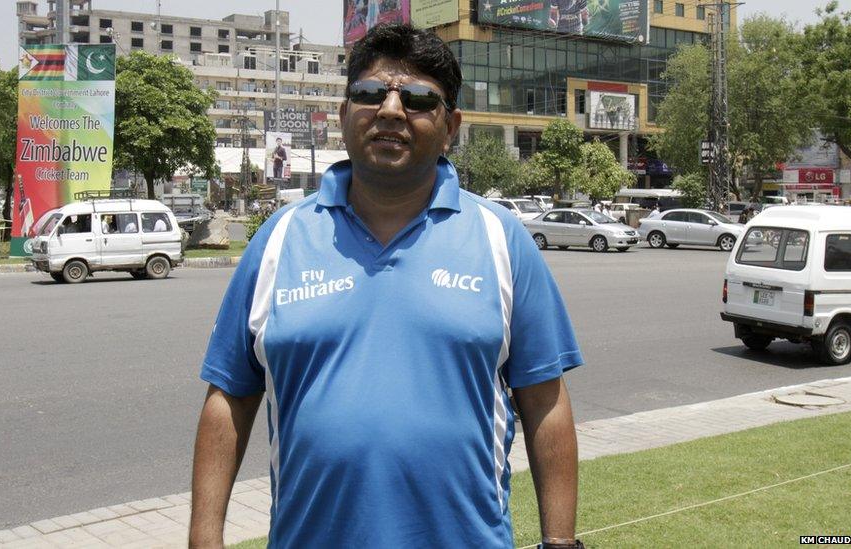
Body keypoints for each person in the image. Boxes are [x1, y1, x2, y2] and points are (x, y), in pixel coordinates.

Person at [190, 24, 585, 549]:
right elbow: (230, 397)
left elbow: (544, 402)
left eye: (420, 98)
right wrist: (204, 538)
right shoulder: (279, 239)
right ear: (343, 114)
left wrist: (560, 544)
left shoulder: (501, 239)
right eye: (371, 94)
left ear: (451, 127)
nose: (392, 111)